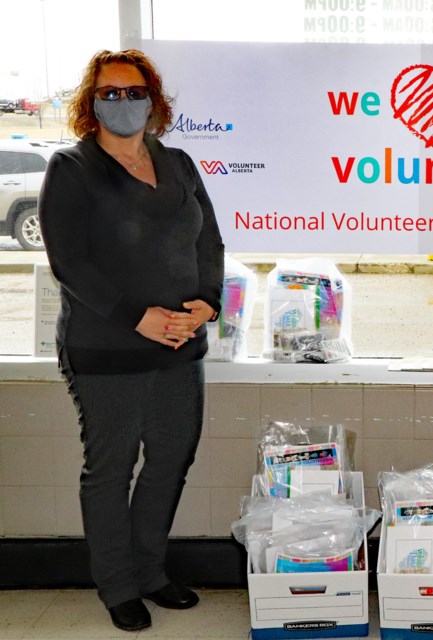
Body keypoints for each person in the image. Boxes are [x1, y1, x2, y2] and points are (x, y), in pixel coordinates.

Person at [39, 49, 224, 632]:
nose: (123, 103)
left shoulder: (180, 164)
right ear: (90, 104)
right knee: (111, 469)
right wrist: (135, 317)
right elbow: (70, 261)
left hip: (178, 348)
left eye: (134, 91)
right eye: (110, 93)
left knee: (171, 459)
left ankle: (150, 572)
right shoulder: (71, 168)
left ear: (154, 100)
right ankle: (117, 585)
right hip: (107, 351)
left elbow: (209, 244)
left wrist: (207, 304)